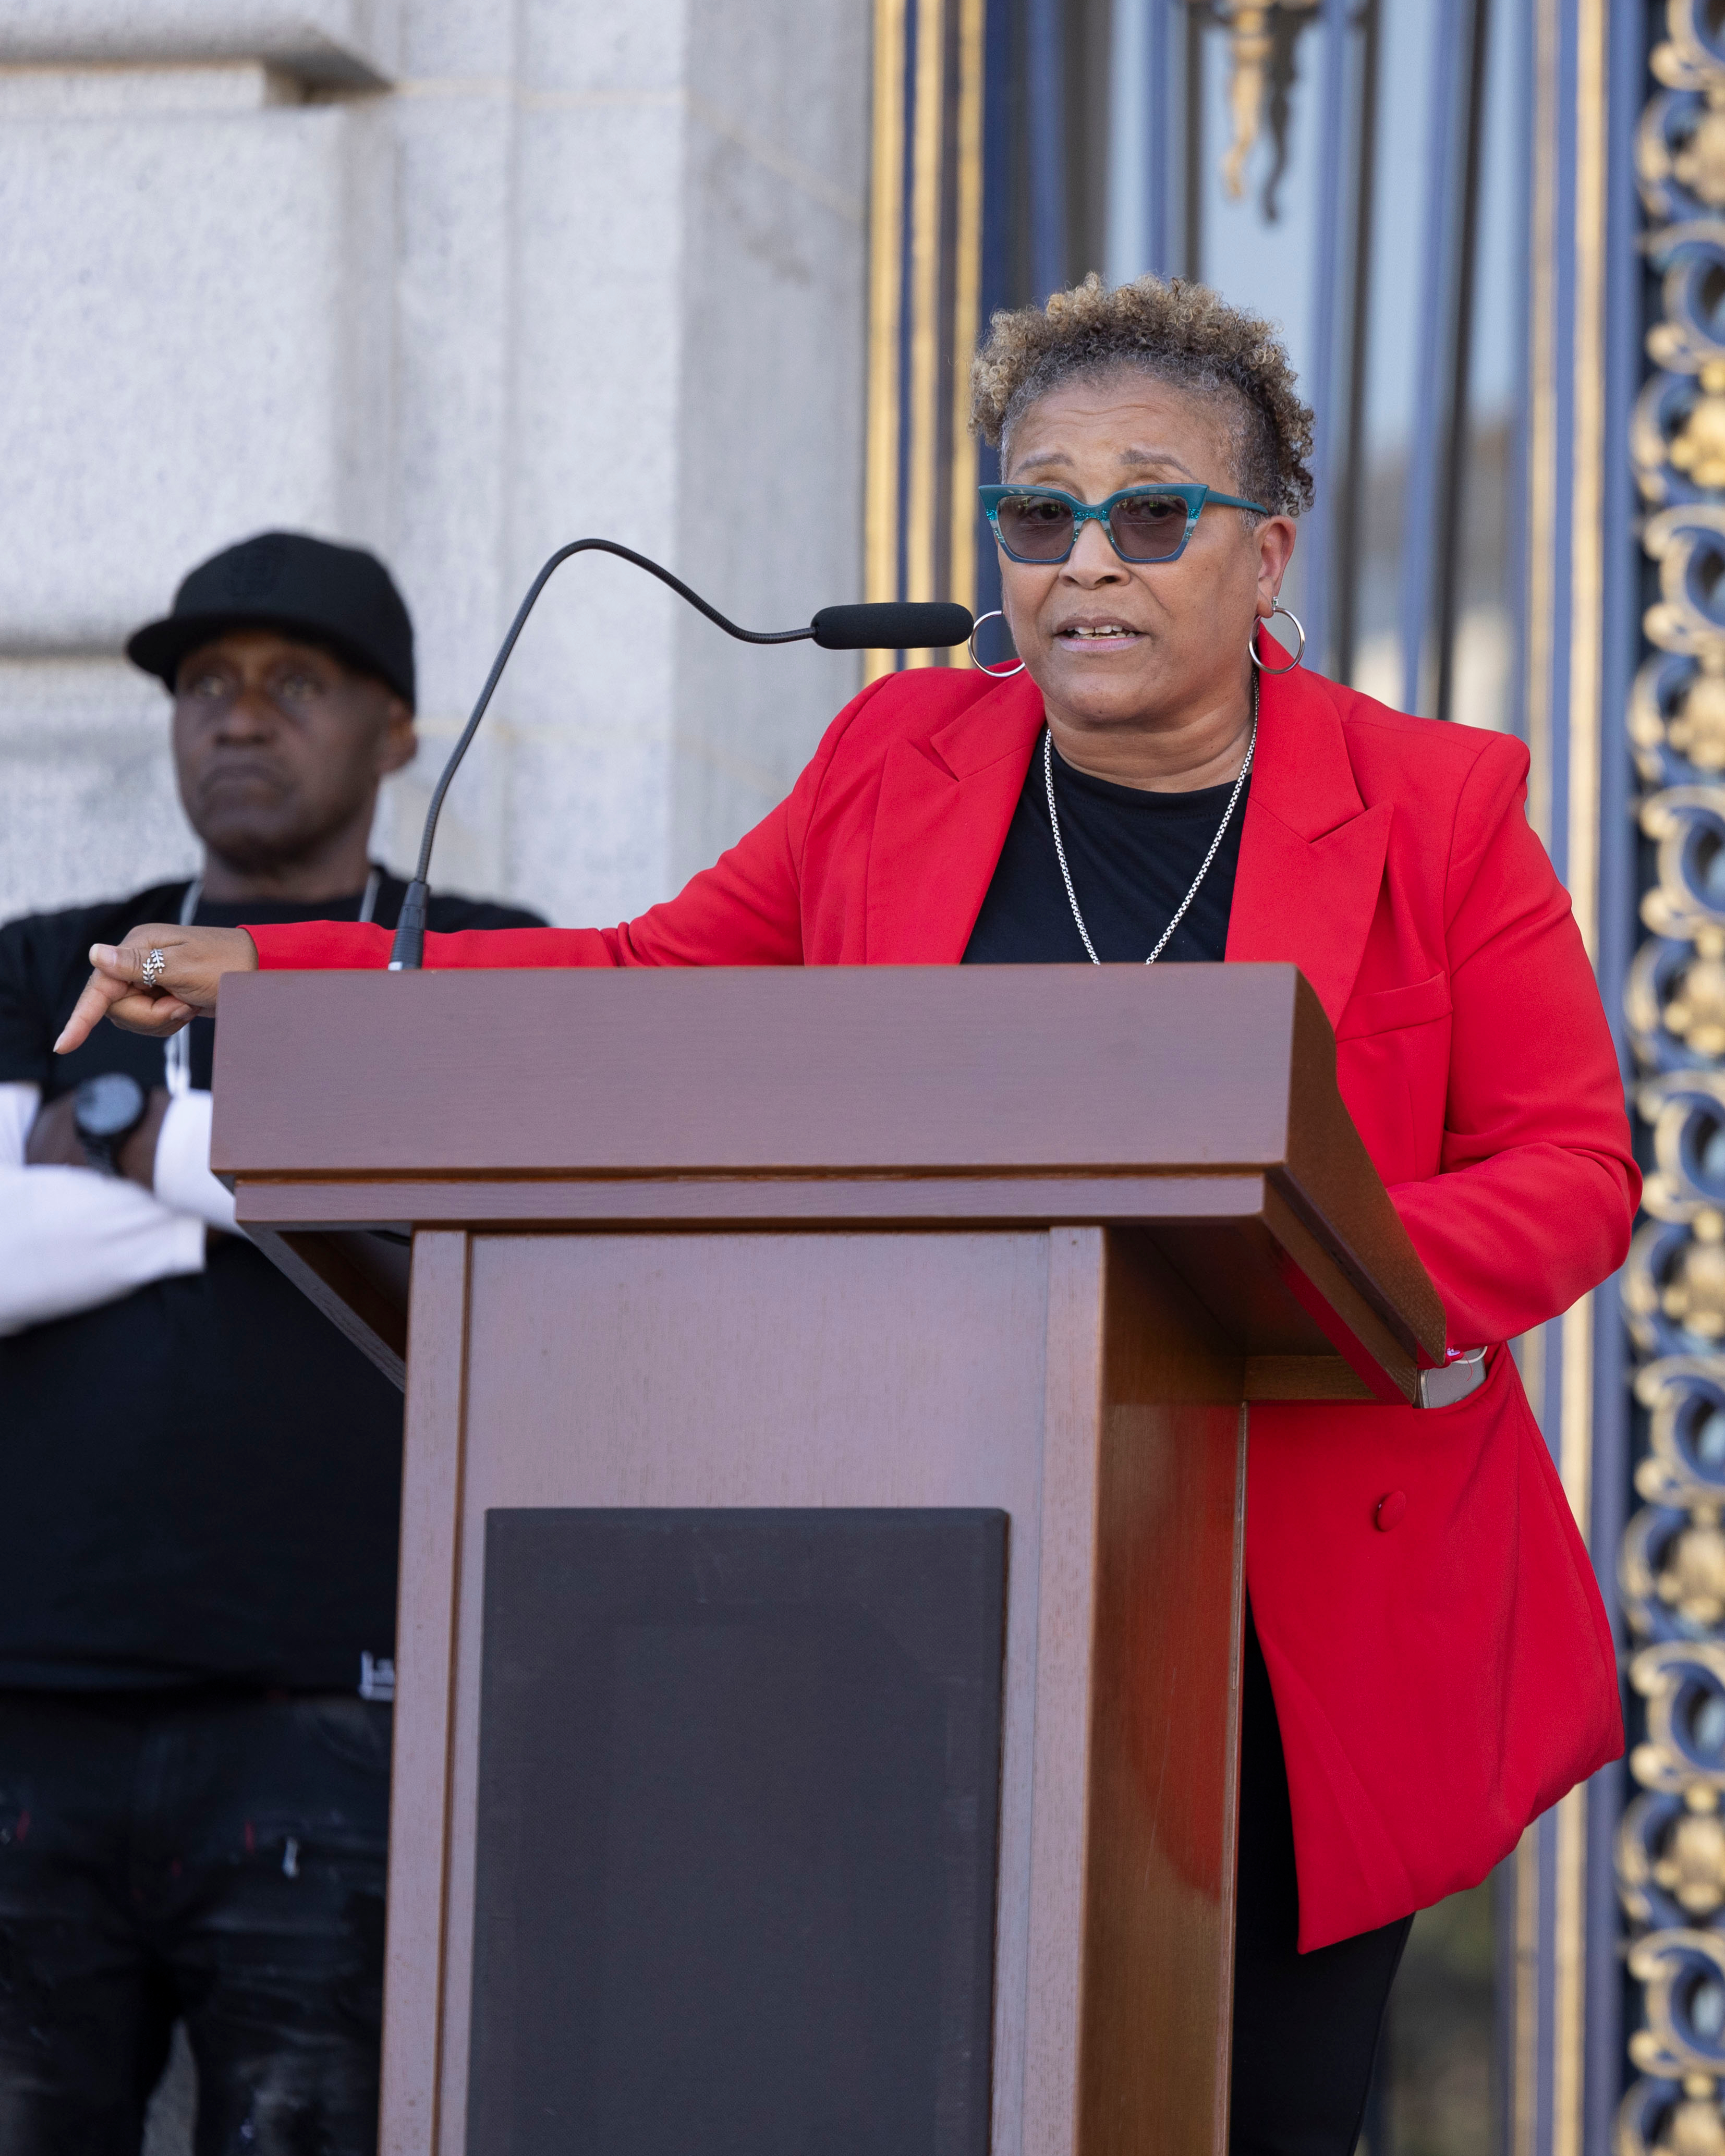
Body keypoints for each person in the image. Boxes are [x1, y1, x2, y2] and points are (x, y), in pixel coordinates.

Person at [58, 283, 1638, 2152]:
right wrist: (285, 971)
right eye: (1038, 513)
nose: (1087, 563)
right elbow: (646, 980)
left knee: (1259, 2108)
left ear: (1266, 549)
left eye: (1152, 513)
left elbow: (1570, 1171)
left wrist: (1310, 1270)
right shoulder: (902, 757)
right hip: (930, 1571)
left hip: (1289, 1595)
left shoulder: (1435, 809)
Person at [1, 531, 544, 2154]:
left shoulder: (476, 963)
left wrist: (114, 1145)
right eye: (208, 687)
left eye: (293, 684)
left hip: (344, 1721)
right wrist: (300, 1175)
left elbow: (481, 1246)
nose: (239, 719)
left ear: (395, 732)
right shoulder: (45, 960)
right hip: (30, 1707)